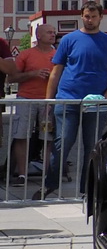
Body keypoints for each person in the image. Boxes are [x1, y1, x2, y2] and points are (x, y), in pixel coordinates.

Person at [45, 3, 107, 195]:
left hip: (96, 103)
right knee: (63, 143)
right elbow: (56, 72)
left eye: (93, 16)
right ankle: (50, 185)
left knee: (93, 147)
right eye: (86, 16)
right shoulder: (69, 40)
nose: (89, 20)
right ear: (82, 16)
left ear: (100, 17)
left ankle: (87, 189)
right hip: (67, 99)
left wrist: (106, 96)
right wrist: (49, 101)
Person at [10, 26, 56, 186]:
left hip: (48, 101)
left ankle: (47, 173)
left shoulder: (57, 55)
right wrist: (33, 74)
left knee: (48, 138)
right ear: (39, 35)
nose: (53, 35)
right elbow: (12, 78)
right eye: (49, 32)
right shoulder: (26, 54)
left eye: (54, 32)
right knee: (21, 135)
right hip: (26, 99)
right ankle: (22, 174)